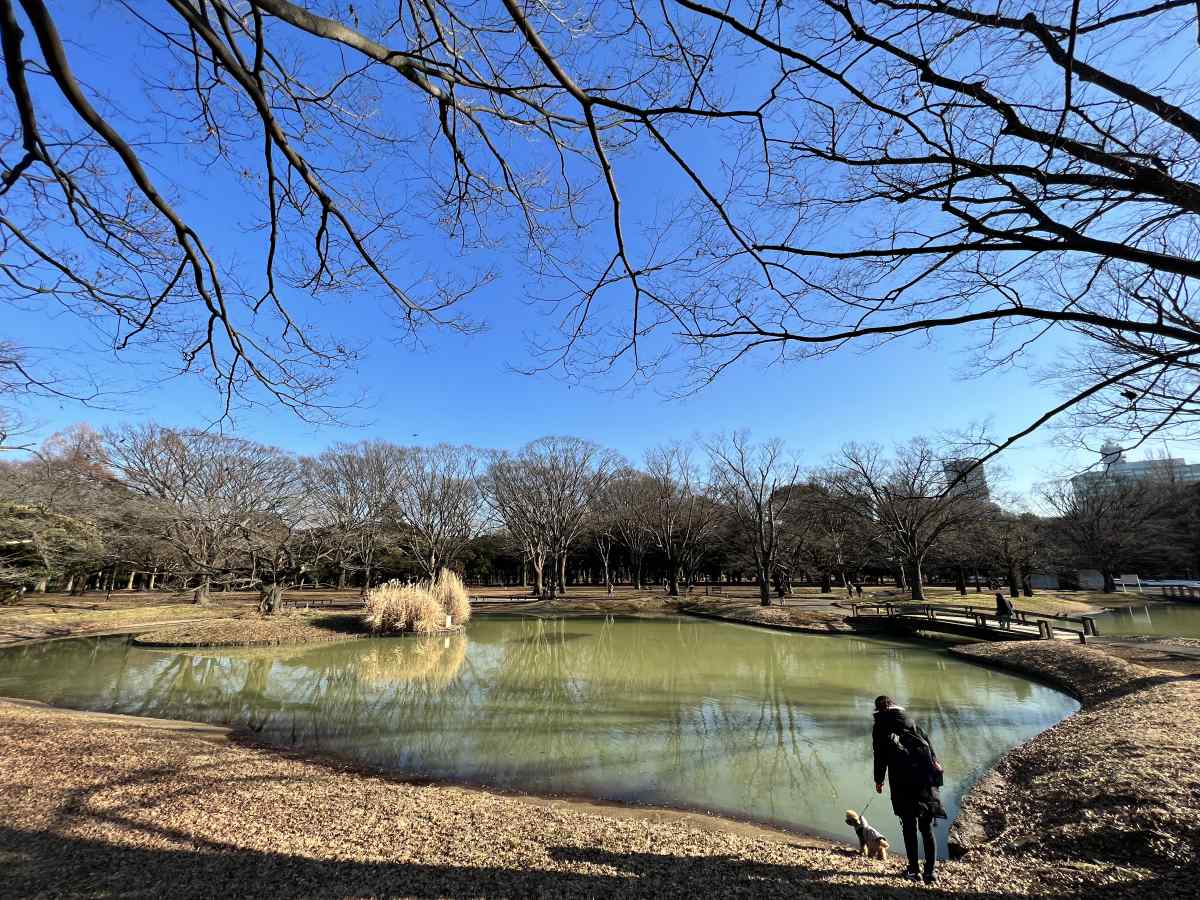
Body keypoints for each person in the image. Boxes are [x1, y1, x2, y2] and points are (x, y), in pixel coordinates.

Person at [872, 695, 947, 884]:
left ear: (879, 710)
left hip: (902, 782)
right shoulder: (910, 720)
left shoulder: (880, 726)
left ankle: (914, 871)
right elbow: (930, 747)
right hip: (925, 781)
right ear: (894, 706)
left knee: (909, 826)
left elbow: (880, 756)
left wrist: (878, 780)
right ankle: (931, 873)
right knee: (926, 828)